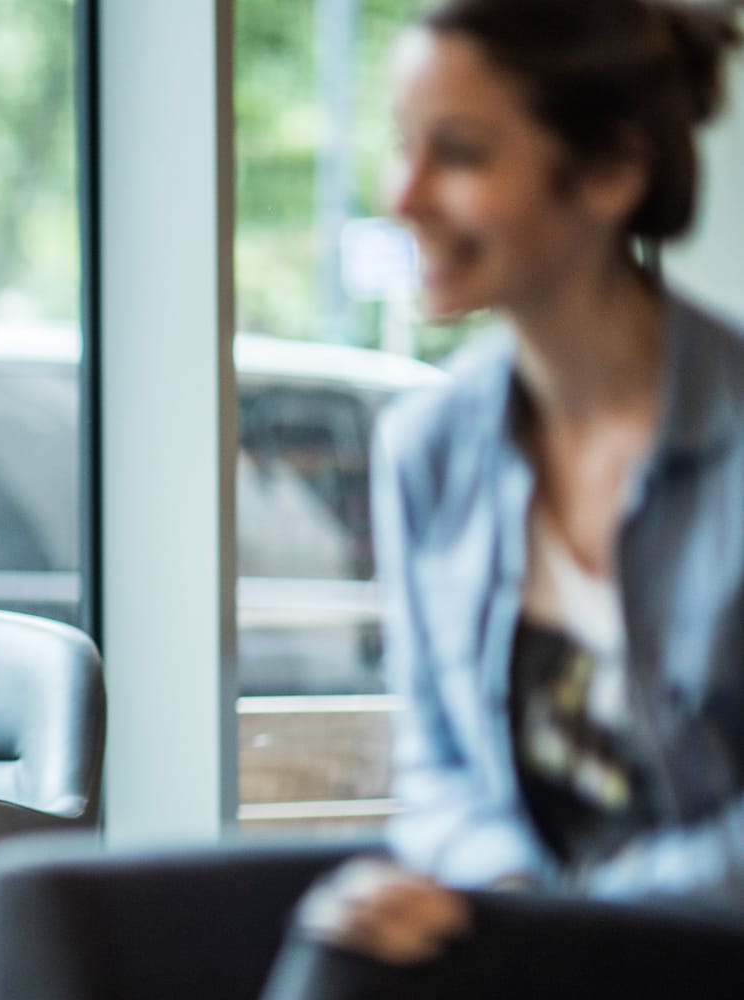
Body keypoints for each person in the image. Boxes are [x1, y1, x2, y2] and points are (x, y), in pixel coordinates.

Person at [264, 1, 744, 996]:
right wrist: (508, 891)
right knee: (343, 930)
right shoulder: (428, 449)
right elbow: (438, 771)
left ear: (612, 172)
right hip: (533, 933)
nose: (404, 195)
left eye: (462, 155)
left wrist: (566, 919)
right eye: (405, 148)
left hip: (698, 939)